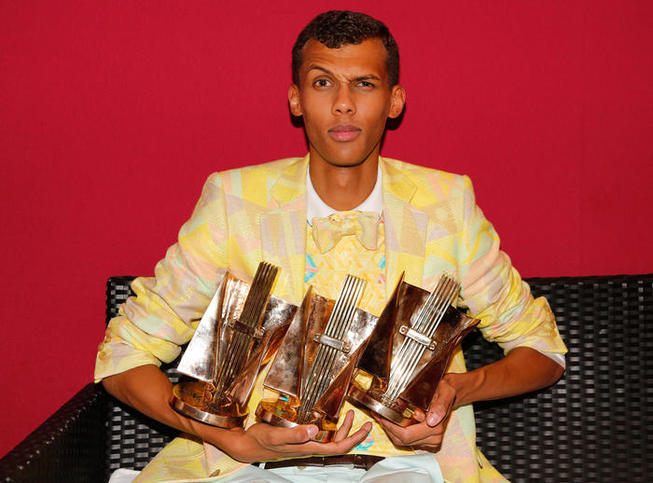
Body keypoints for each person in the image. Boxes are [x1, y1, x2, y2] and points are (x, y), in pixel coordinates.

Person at [96, 10, 567, 482]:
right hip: (252, 467)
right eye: (323, 84)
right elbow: (123, 356)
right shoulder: (235, 202)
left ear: (394, 100)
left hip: (409, 468)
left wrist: (455, 390)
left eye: (364, 84)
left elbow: (542, 351)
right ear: (296, 99)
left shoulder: (446, 205)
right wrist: (231, 439)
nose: (343, 104)